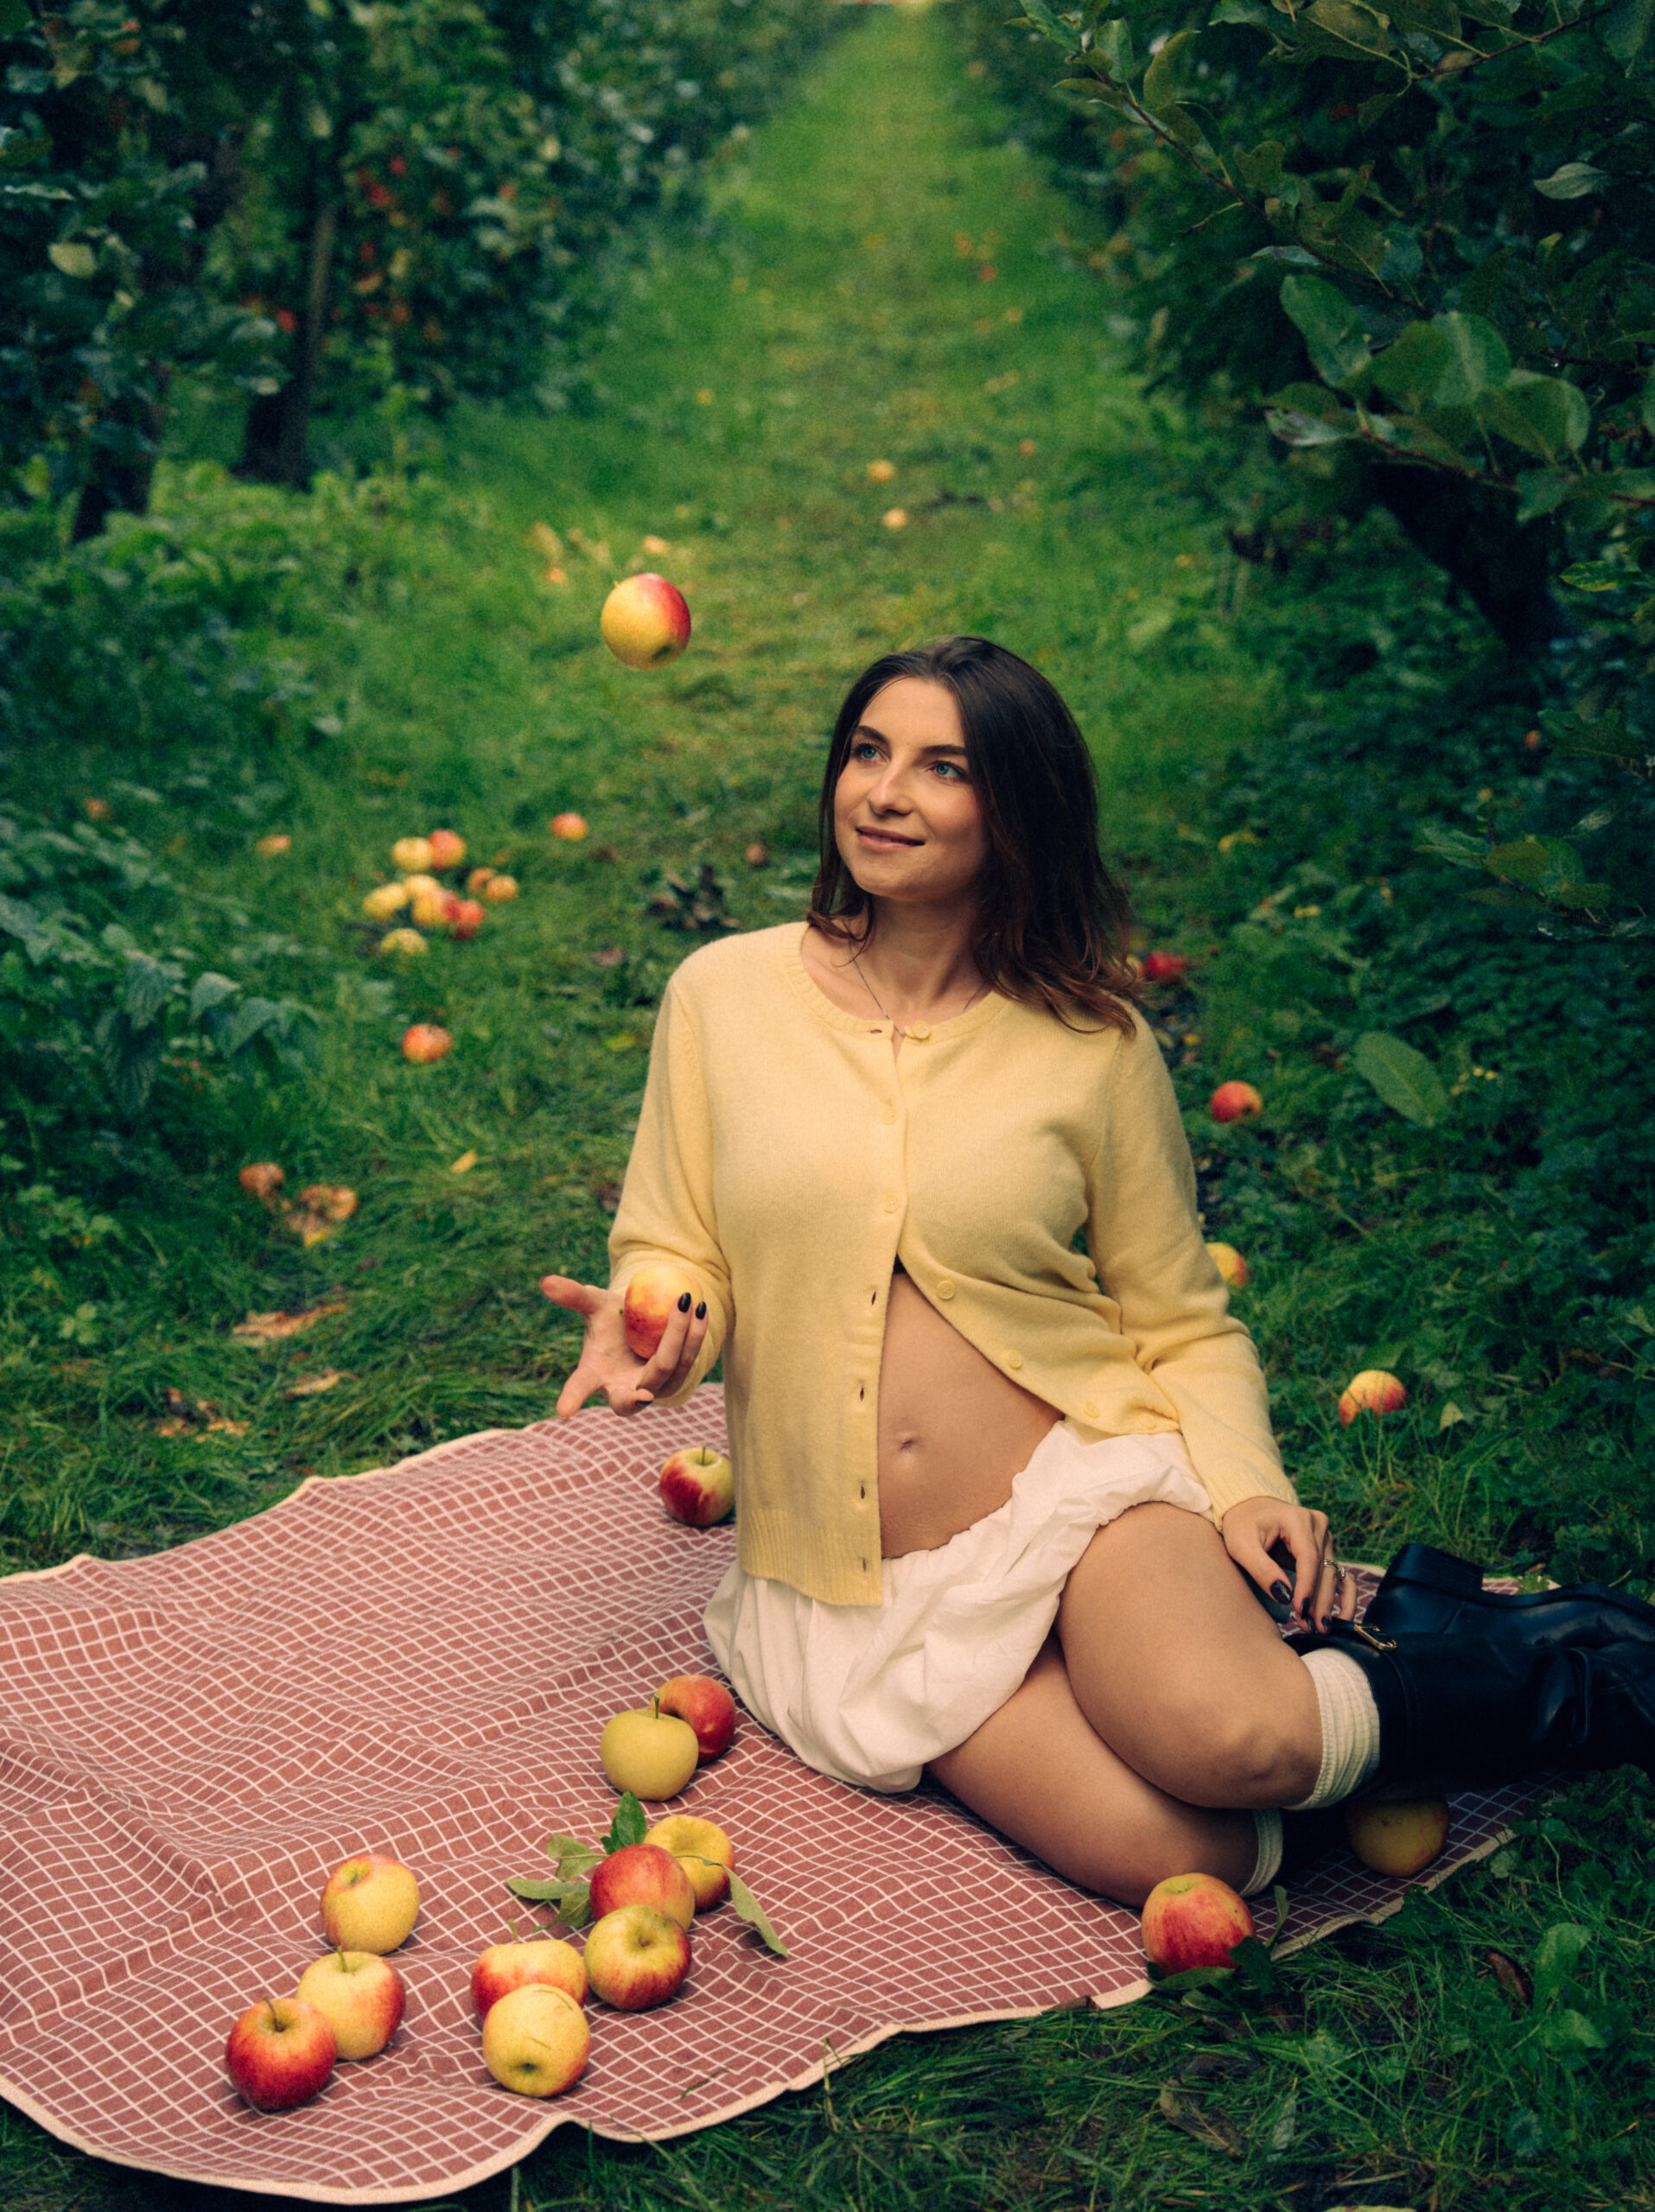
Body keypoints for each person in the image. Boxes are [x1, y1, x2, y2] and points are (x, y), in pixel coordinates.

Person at [543, 635, 1655, 1908]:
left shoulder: (1092, 1041)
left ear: (1017, 807)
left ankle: (1572, 1668)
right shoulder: (722, 996)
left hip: (1078, 1500)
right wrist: (668, 1319)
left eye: (941, 767)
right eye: (867, 751)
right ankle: (1410, 1631)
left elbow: (1178, 1317)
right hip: (854, 1593)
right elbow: (674, 1238)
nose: (883, 793)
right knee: (1197, 1857)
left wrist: (1242, 1489)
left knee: (1241, 1741)